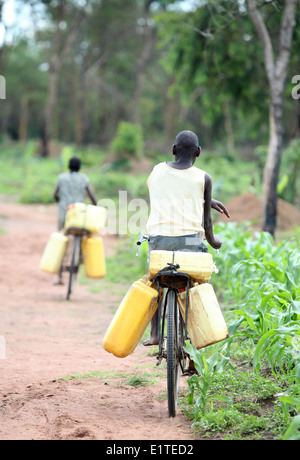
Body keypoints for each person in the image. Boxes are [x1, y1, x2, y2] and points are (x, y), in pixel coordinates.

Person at [144, 130, 230, 346]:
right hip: (190, 243)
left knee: (154, 279)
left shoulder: (157, 171)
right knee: (195, 284)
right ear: (198, 152)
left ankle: (155, 333)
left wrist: (206, 198)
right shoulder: (204, 178)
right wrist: (214, 241)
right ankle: (193, 336)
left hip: (158, 242)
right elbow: (207, 224)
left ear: (173, 150)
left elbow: (169, 191)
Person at [53, 156, 97, 284]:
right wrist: (96, 206)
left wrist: (60, 203)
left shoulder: (61, 177)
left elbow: (55, 195)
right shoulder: (83, 178)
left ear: (68, 166)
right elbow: (92, 196)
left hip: (64, 214)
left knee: (62, 240)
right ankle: (81, 256)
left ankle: (59, 276)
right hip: (78, 215)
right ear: (79, 167)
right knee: (85, 233)